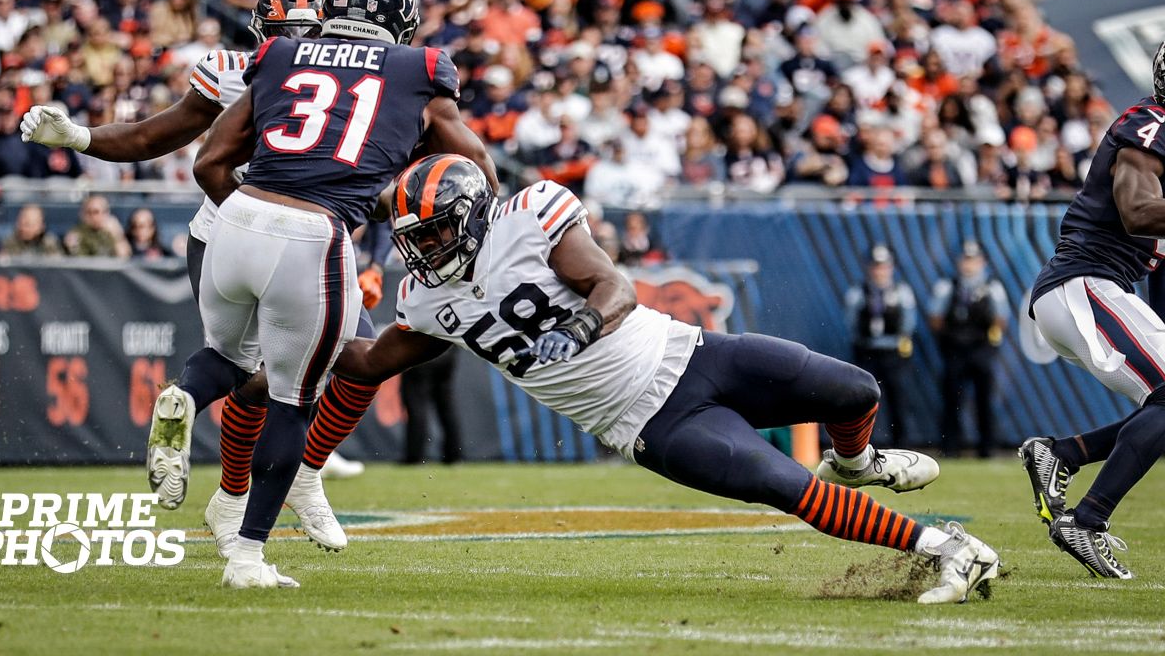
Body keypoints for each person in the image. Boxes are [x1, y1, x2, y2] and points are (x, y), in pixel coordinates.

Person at [332, 154, 999, 605]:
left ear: (476, 213)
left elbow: (611, 284)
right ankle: (950, 550)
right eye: (417, 239)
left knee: (855, 389)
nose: (427, 251)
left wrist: (583, 327)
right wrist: (308, 321)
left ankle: (855, 461)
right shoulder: (426, 300)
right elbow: (365, 362)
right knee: (785, 485)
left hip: (691, 351)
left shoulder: (532, 215)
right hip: (651, 423)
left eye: (439, 233)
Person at [21, 0, 369, 537]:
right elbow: (158, 138)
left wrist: (81, 138)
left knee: (257, 369)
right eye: (289, 34)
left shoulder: (272, 69)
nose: (295, 44)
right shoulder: (330, 73)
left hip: (237, 233)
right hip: (277, 234)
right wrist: (80, 137)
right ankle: (262, 489)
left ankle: (240, 448)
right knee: (309, 370)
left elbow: (157, 140)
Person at [193, 0, 497, 589]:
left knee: (238, 363)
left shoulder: (277, 57)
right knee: (294, 396)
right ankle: (248, 551)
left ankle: (194, 416)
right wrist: (494, 220)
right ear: (399, 15)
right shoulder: (420, 69)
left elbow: (208, 160)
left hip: (238, 219)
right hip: (317, 233)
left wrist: (249, 213)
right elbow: (468, 157)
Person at [1021, 41, 1165, 579]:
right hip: (1083, 284)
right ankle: (1088, 520)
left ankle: (1065, 454)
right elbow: (1137, 210)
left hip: (1098, 291)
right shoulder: (1151, 122)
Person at [929, 241, 1008, 458]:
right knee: (952, 399)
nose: (969, 265)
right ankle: (950, 447)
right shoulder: (948, 286)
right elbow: (935, 318)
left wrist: (985, 339)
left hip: (980, 349)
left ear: (982, 262)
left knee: (985, 400)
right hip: (955, 349)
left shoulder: (992, 287)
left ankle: (987, 447)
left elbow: (1001, 319)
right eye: (966, 260)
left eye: (973, 260)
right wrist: (951, 338)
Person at [843, 245, 916, 446]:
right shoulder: (859, 293)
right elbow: (851, 323)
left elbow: (908, 324)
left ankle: (902, 445)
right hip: (867, 352)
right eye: (876, 266)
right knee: (864, 403)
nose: (879, 271)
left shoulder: (901, 292)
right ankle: (863, 446)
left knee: (898, 401)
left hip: (893, 353)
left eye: (884, 266)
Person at [401, 348, 461, 464]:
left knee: (417, 407)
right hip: (447, 354)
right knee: (446, 407)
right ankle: (454, 455)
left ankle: (415, 456)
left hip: (420, 355)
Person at [64, 195, 131, 258]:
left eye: (96, 212)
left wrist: (117, 235)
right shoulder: (78, 233)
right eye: (89, 212)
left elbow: (123, 257)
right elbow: (81, 262)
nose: (93, 216)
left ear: (106, 213)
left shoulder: (112, 230)